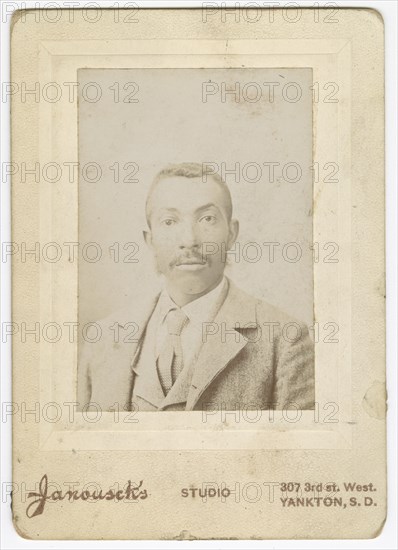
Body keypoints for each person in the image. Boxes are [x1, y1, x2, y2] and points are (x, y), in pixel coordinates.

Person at [78, 162, 314, 412]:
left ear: (231, 233)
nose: (189, 240)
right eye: (169, 222)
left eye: (207, 219)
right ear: (150, 239)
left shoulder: (285, 338)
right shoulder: (102, 338)